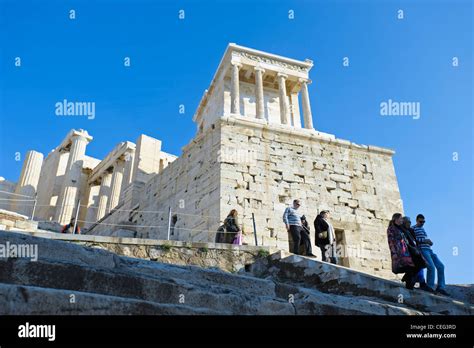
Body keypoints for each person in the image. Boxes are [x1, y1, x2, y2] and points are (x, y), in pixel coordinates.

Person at [412, 214, 449, 296]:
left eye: (424, 221)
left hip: (429, 250)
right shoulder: (413, 228)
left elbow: (424, 239)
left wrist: (429, 242)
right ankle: (430, 286)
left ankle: (441, 287)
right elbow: (413, 239)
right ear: (417, 220)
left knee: (441, 266)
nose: (422, 223)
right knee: (431, 267)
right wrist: (425, 241)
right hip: (423, 250)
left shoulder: (422, 229)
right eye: (421, 221)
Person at [387, 213, 418, 288]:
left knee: (416, 265)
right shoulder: (391, 228)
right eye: (401, 219)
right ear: (396, 219)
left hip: (406, 251)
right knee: (409, 267)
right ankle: (409, 286)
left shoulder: (401, 228)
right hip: (399, 252)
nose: (402, 220)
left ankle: (407, 280)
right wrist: (395, 252)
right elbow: (391, 241)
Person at [401, 216, 432, 292]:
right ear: (404, 223)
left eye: (410, 222)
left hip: (415, 251)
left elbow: (415, 240)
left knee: (418, 266)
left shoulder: (410, 230)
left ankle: (419, 283)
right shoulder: (402, 231)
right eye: (408, 222)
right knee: (415, 267)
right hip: (408, 252)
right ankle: (417, 283)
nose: (410, 223)